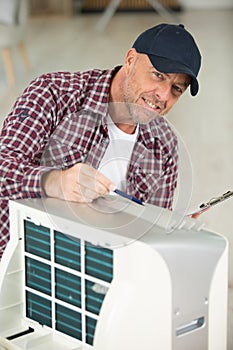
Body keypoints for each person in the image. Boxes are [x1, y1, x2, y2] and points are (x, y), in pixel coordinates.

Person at [0, 23, 201, 259]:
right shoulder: (54, 94)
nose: (164, 96)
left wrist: (166, 229)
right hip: (22, 266)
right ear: (130, 60)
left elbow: (146, 238)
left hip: (99, 274)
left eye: (177, 88)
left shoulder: (164, 146)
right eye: (158, 75)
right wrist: (56, 182)